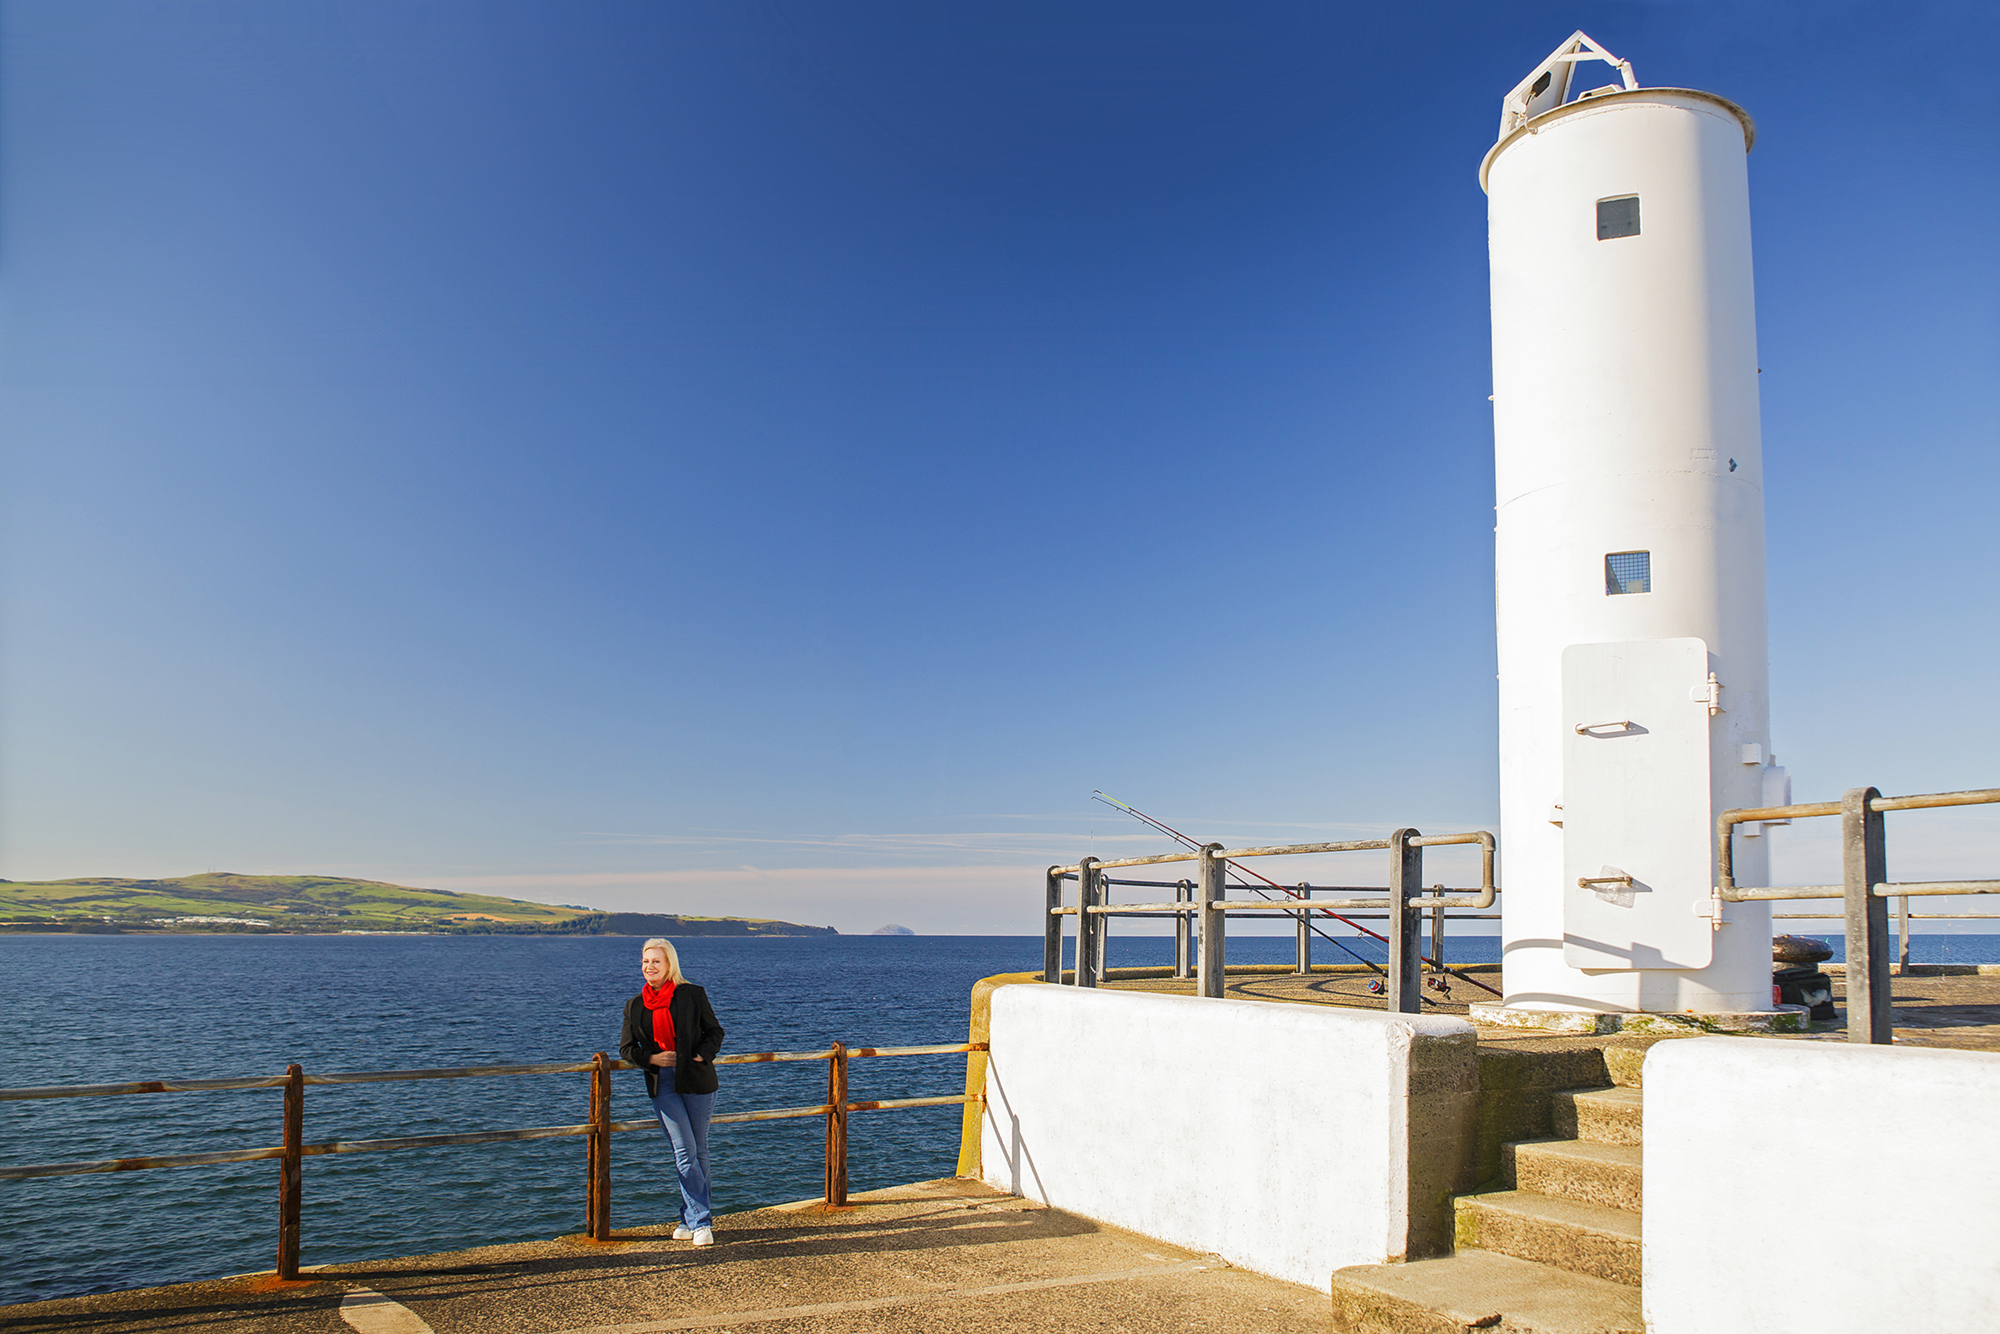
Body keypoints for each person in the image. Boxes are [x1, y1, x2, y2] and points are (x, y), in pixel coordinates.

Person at [619, 937, 726, 1244]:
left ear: (669, 965)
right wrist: (651, 1058)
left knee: (699, 1150)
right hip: (663, 1083)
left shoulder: (692, 994)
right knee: (685, 1151)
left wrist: (699, 1055)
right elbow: (627, 1049)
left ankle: (690, 1218)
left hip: (697, 1080)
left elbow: (715, 1032)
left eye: (656, 961)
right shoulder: (634, 1006)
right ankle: (701, 1221)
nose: (649, 967)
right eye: (645, 962)